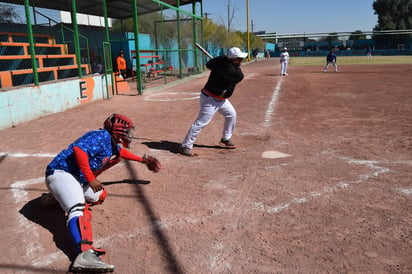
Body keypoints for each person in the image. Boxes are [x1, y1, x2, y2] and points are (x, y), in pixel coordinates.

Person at [44, 114, 161, 272]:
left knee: (99, 195)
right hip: (61, 172)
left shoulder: (111, 143)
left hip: (76, 179)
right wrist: (91, 178)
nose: (130, 135)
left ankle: (57, 198)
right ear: (118, 130)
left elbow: (121, 153)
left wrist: (143, 160)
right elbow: (79, 150)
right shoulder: (100, 136)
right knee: (78, 208)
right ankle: (84, 254)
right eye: (127, 132)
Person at [178, 47, 248, 156]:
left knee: (231, 115)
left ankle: (226, 138)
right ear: (233, 59)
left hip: (221, 99)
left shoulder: (221, 63)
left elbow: (210, 64)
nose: (241, 61)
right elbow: (239, 76)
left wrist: (222, 60)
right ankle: (185, 146)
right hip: (210, 99)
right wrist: (223, 62)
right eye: (239, 59)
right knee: (201, 122)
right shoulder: (230, 70)